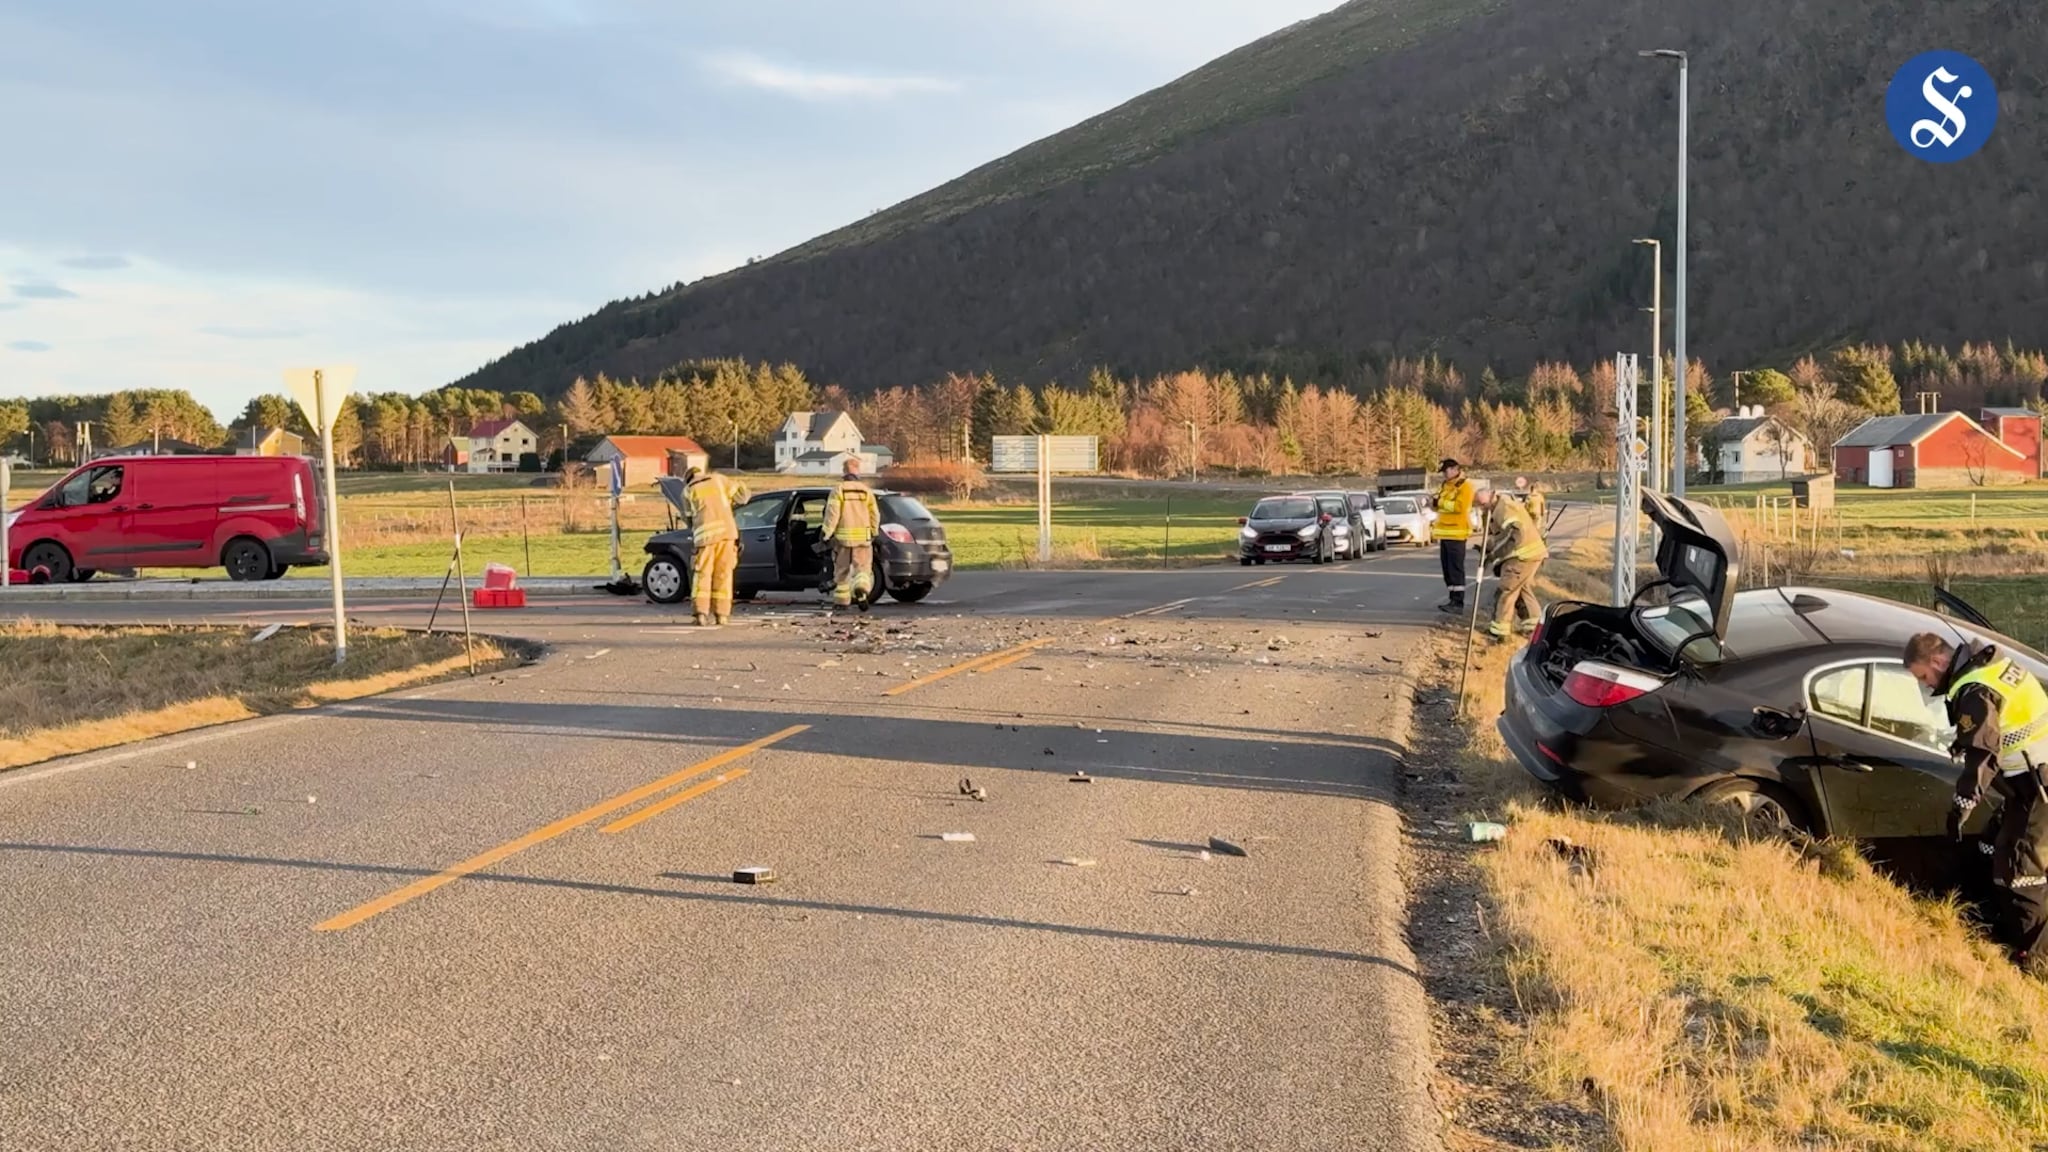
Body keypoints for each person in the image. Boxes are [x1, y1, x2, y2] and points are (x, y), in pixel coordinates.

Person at [1906, 632, 2048, 974]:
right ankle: (1998, 922)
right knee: (1990, 847)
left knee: (2021, 870)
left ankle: (2038, 960)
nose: (1926, 686)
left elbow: (1984, 753)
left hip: (2037, 785)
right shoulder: (1987, 663)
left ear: (1939, 662)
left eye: (1924, 676)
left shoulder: (1974, 688)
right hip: (2026, 780)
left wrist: (1963, 802)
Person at [682, 464, 750, 627]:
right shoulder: (720, 480)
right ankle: (722, 615)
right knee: (724, 575)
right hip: (727, 534)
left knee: (703, 575)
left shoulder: (688, 490)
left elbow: (688, 519)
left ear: (688, 479)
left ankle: (701, 614)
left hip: (705, 538)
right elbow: (744, 497)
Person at [1477, 488, 1548, 639]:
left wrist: (1495, 555)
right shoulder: (1499, 507)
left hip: (1521, 556)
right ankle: (1533, 627)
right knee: (1522, 589)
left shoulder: (1505, 508)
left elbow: (1514, 535)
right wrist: (1488, 548)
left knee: (1506, 592)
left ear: (1492, 497)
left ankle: (1500, 633)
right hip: (1531, 555)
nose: (1483, 508)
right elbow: (1499, 535)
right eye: (1480, 505)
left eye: (1484, 504)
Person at [821, 457, 883, 613]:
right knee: (862, 570)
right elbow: (874, 514)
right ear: (858, 471)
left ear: (844, 472)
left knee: (842, 571)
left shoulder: (839, 490)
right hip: (863, 539)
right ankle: (861, 590)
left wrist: (826, 533)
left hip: (843, 540)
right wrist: (874, 531)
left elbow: (832, 514)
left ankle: (842, 602)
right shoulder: (866, 491)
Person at [1433, 458, 1477, 613]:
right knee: (1447, 570)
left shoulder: (1465, 486)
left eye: (1446, 471)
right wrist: (1434, 502)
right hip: (1445, 533)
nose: (1444, 475)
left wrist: (1440, 503)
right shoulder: (1446, 485)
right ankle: (1452, 598)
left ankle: (1458, 602)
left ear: (1455, 469)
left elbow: (1460, 506)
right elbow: (1438, 502)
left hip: (1457, 533)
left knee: (1455, 569)